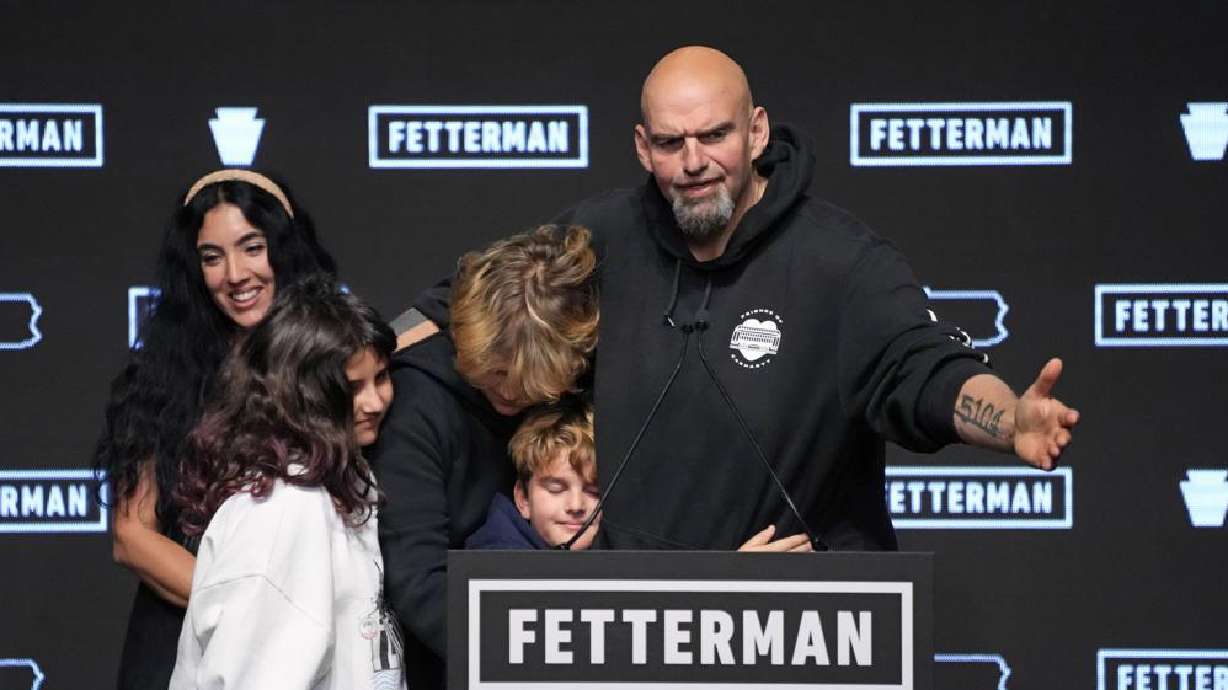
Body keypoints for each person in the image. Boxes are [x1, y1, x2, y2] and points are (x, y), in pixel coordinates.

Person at [404, 45, 1079, 552]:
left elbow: (921, 369)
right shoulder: (601, 236)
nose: (693, 161)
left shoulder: (840, 261)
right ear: (643, 148)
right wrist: (360, 352)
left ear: (756, 132)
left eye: (715, 135)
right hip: (636, 640)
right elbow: (464, 302)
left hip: (795, 636)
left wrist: (1010, 419)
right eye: (671, 143)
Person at [92, 169, 337, 689]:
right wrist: (250, 611)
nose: (235, 274)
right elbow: (132, 536)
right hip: (181, 643)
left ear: (284, 249)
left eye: (252, 247)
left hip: (316, 645)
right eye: (211, 257)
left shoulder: (334, 363)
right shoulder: (161, 375)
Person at [369, 225, 600, 689]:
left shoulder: (578, 383)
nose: (510, 391)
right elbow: (418, 581)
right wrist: (543, 661)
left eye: (530, 381)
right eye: (495, 372)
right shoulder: (417, 405)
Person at [169, 276, 403, 689]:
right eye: (351, 389)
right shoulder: (283, 511)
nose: (375, 402)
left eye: (381, 378)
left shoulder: (344, 480)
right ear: (302, 395)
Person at [465, 396, 600, 550]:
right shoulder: (490, 564)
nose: (576, 505)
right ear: (523, 499)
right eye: (556, 488)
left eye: (594, 491)